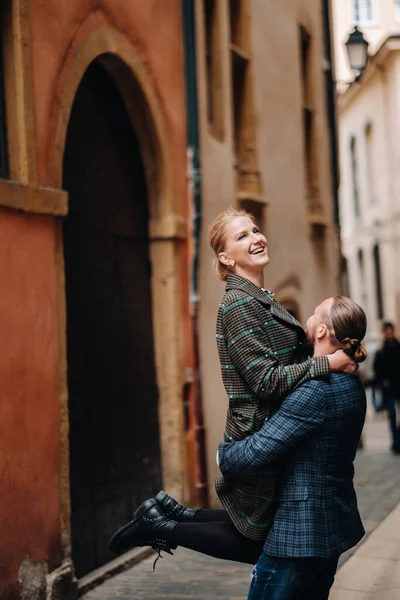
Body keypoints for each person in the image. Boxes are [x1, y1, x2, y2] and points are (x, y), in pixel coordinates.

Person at [108, 207, 354, 562]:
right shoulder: (238, 304)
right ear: (225, 257)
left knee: (256, 529)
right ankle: (158, 526)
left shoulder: (260, 298)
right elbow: (266, 381)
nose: (256, 238)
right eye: (243, 236)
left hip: (272, 429)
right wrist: (326, 362)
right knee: (259, 538)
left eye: (255, 230)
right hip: (258, 433)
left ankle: (171, 514)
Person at [218, 295, 367, 599]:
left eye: (314, 315)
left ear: (323, 331)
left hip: (299, 535)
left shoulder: (316, 391)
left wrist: (224, 455)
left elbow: (259, 450)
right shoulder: (351, 383)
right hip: (332, 526)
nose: (308, 320)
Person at [373, 322, 400, 453]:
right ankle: (395, 441)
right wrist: (383, 381)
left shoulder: (398, 347)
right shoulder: (381, 350)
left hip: (399, 384)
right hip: (389, 387)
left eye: (391, 331)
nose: (389, 334)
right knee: (392, 413)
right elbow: (377, 368)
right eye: (387, 332)